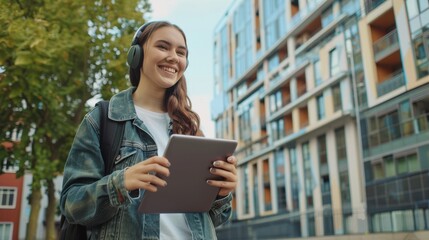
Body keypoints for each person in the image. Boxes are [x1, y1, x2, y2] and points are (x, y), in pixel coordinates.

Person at [60, 20, 238, 239]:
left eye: (181, 52)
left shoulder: (191, 129)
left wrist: (222, 193)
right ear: (136, 55)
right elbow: (71, 204)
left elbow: (214, 218)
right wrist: (121, 182)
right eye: (163, 46)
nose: (173, 57)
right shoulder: (101, 120)